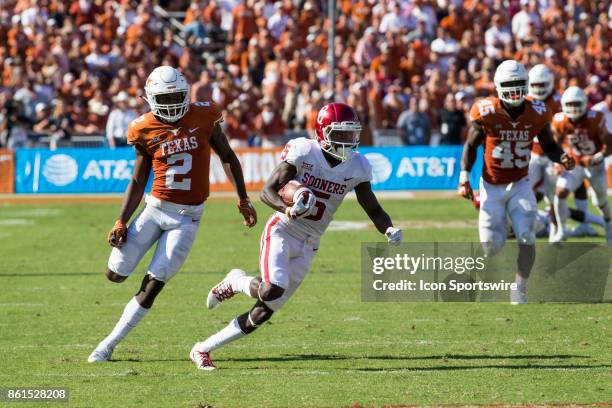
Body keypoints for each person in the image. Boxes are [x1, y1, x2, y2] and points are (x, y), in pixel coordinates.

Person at [189, 102, 403, 370]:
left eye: (351, 134)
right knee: (271, 288)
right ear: (323, 133)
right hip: (282, 229)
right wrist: (287, 208)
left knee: (263, 311)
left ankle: (203, 348)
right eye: (341, 135)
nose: (348, 142)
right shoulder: (304, 151)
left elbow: (371, 205)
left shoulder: (358, 166)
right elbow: (267, 191)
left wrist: (388, 228)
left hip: (311, 242)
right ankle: (236, 282)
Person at [88, 66, 258, 363]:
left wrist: (243, 197)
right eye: (164, 99)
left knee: (153, 284)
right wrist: (121, 219)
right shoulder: (142, 127)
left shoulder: (205, 115)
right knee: (115, 273)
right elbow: (138, 179)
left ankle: (107, 345)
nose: (171, 104)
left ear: (187, 93)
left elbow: (228, 156)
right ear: (151, 99)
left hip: (187, 218)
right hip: (154, 209)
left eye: (176, 96)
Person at [458, 60, 574, 304]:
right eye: (509, 85)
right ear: (499, 86)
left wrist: (561, 157)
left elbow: (549, 145)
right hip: (491, 185)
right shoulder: (487, 111)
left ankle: (519, 288)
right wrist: (463, 177)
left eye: (519, 84)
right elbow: (471, 145)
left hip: (521, 183)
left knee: (526, 237)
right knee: (492, 247)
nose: (515, 90)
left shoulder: (537, 111)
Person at [550, 86, 612, 245]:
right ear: (564, 105)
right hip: (575, 165)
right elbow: (555, 146)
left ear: (584, 103)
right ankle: (561, 230)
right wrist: (558, 162)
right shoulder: (559, 120)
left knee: (601, 201)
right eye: (570, 104)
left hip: (595, 166)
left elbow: (610, 145)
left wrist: (596, 157)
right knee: (560, 192)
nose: (574, 108)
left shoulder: (595, 118)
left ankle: (609, 226)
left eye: (577, 104)